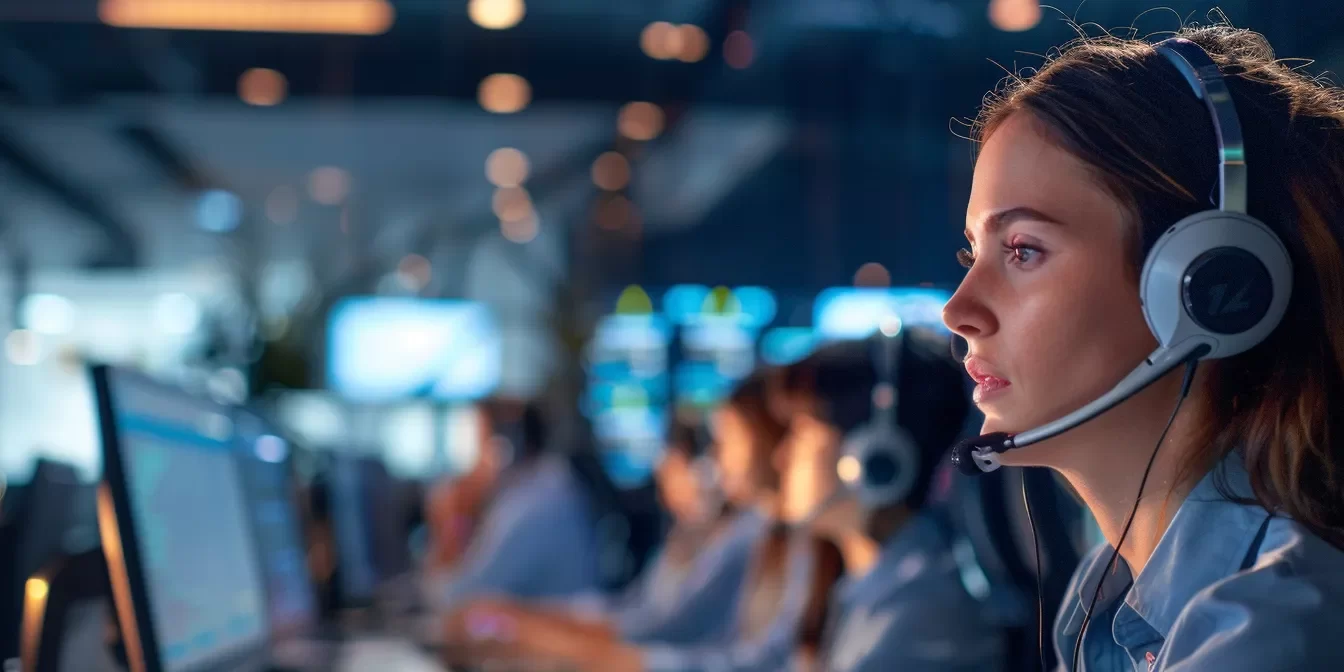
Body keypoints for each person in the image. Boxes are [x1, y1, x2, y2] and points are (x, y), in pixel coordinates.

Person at [943, 21, 1344, 670]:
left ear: (1207, 283)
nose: (958, 311)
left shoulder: (1270, 635)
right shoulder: (1105, 601)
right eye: (972, 251)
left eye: (1023, 249)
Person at [442, 370, 843, 672]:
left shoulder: (753, 537)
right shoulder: (751, 535)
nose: (720, 462)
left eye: (730, 442)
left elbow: (665, 629)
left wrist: (533, 634)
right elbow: (641, 616)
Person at [775, 333, 1003, 671]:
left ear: (875, 458)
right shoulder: (873, 584)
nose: (781, 457)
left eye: (801, 435)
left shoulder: (922, 611)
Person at [424, 397, 601, 610]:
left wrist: (450, 519)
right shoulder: (542, 486)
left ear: (502, 449)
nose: (465, 467)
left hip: (550, 634)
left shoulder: (531, 507)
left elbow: (457, 599)